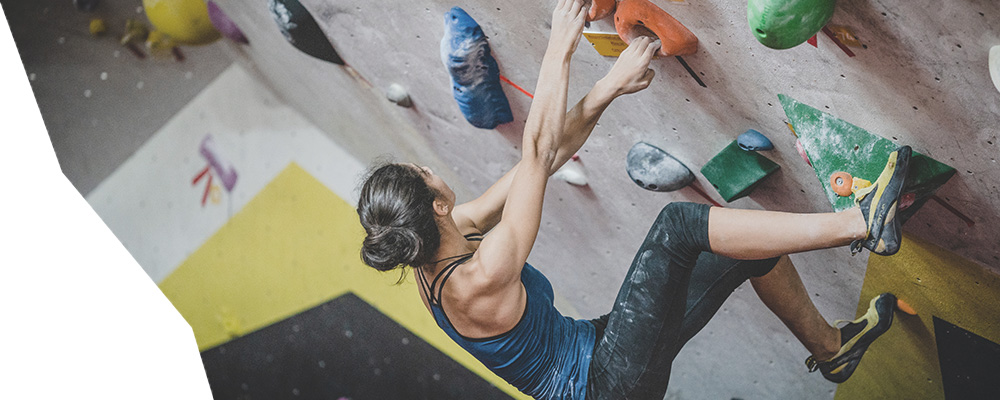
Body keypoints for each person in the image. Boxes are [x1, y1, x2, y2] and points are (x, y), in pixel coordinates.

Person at [356, 1, 907, 398]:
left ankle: (834, 350)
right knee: (678, 227)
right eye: (420, 173)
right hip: (605, 384)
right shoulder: (479, 278)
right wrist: (559, 48)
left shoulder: (455, 233)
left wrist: (606, 90)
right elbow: (538, 145)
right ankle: (861, 223)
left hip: (602, 350)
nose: (427, 167)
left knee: (747, 244)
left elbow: (543, 161)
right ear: (436, 206)